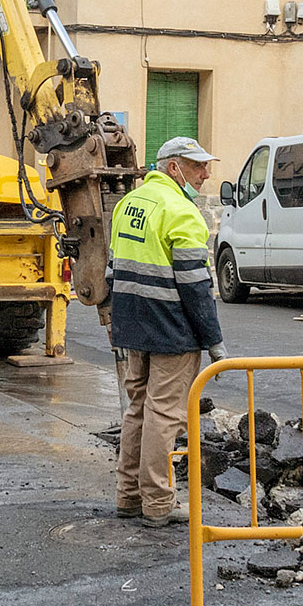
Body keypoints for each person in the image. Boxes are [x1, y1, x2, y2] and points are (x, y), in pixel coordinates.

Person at [108, 136, 226, 527]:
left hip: (132, 326)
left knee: (138, 409)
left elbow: (112, 270)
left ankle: (128, 495)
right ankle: (158, 502)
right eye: (197, 166)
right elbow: (196, 287)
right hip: (171, 328)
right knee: (164, 414)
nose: (205, 174)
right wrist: (213, 341)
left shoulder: (128, 204)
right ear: (174, 167)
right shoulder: (182, 211)